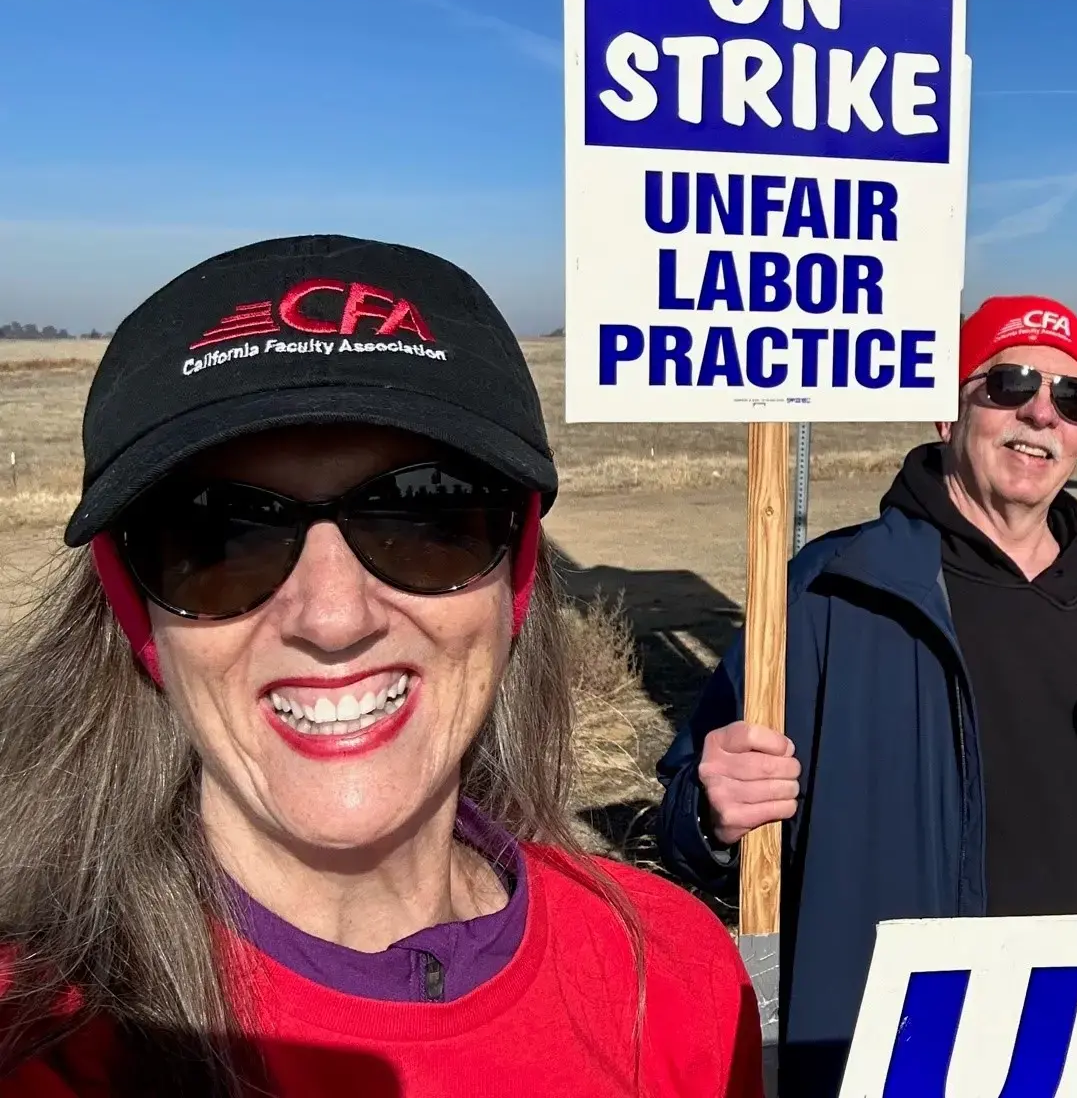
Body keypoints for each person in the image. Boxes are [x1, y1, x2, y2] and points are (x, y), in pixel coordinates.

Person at [0, 237, 759, 1098]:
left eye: (426, 515)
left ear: (512, 587)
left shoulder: (672, 973)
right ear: (139, 616)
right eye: (218, 538)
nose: (333, 617)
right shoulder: (42, 1039)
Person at [656, 296, 1077, 1098]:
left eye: (1072, 397)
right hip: (896, 1050)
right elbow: (685, 821)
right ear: (947, 413)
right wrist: (709, 815)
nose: (1041, 413)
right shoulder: (830, 594)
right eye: (1010, 382)